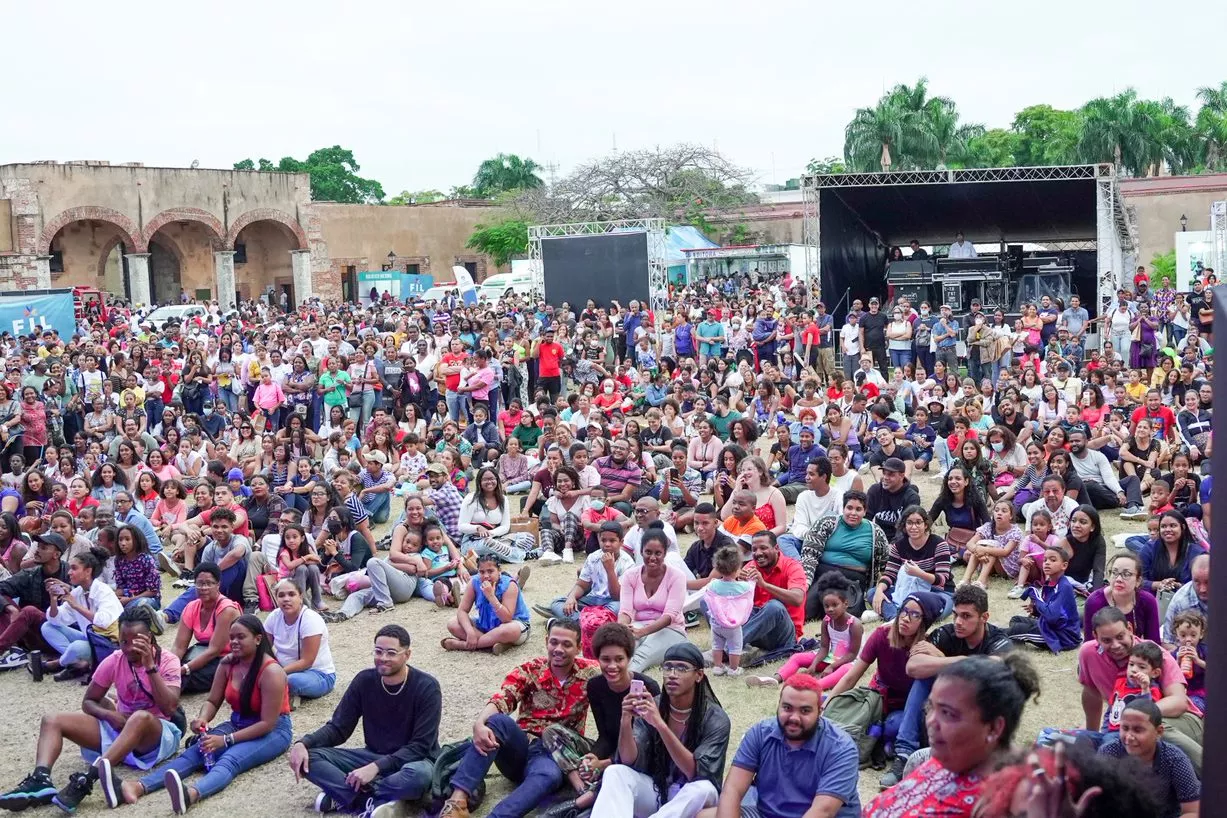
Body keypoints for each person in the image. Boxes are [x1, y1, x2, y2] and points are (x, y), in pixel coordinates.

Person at [0, 607, 182, 813]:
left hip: (155, 735)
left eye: (136, 641)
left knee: (140, 718)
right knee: (52, 720)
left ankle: (89, 778)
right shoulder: (115, 660)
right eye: (123, 641)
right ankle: (40, 780)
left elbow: (170, 706)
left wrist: (150, 667)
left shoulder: (168, 661)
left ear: (149, 637)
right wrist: (109, 715)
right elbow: (89, 701)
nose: (129, 647)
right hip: (121, 730)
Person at [112, 615, 293, 814]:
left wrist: (226, 739)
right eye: (231, 637)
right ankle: (138, 786)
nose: (234, 642)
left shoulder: (271, 672)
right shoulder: (228, 664)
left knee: (230, 759)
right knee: (197, 751)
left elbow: (267, 723)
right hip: (239, 722)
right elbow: (212, 701)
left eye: (241, 637)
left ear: (258, 639)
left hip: (273, 731)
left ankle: (191, 794)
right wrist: (203, 718)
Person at [439, 619, 598, 818]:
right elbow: (504, 697)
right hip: (520, 746)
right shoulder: (531, 669)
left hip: (553, 755)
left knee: (549, 776)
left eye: (567, 644)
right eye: (554, 642)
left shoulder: (591, 673)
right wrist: (479, 724)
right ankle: (457, 803)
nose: (559, 649)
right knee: (496, 722)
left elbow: (622, 674)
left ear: (579, 648)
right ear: (546, 641)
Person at [864, 654, 1041, 818]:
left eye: (948, 713)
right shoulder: (945, 759)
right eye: (930, 707)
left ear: (994, 728)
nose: (931, 721)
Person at [290, 624, 441, 817]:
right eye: (378, 651)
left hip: (413, 762)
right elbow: (339, 728)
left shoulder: (427, 687)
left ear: (407, 654)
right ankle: (367, 801)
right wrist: (303, 743)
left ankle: (346, 795)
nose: (383, 658)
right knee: (308, 758)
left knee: (418, 777)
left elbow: (420, 746)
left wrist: (375, 768)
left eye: (391, 653)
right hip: (372, 756)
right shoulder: (364, 681)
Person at [879, 584, 1013, 788]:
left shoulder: (997, 641)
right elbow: (913, 667)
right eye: (956, 615)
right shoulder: (947, 634)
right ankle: (904, 755)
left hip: (976, 719)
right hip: (943, 713)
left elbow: (997, 668)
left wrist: (946, 660)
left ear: (984, 617)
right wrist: (959, 662)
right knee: (916, 689)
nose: (958, 622)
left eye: (966, 616)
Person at [589, 642, 729, 818]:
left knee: (704, 788)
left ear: (699, 675)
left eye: (681, 668)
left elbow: (695, 772)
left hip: (692, 800)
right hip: (657, 789)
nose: (672, 674)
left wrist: (660, 725)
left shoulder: (715, 718)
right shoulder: (653, 705)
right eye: (668, 667)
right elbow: (628, 760)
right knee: (615, 772)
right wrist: (625, 720)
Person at [539, 623, 660, 817]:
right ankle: (582, 786)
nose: (612, 666)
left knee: (618, 770)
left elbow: (647, 748)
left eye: (619, 659)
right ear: (598, 659)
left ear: (629, 658)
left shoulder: (648, 688)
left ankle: (583, 799)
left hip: (636, 761)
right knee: (551, 732)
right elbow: (605, 735)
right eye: (606, 659)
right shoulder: (596, 686)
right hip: (609, 753)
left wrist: (604, 764)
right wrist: (593, 757)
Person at [711, 674, 861, 818]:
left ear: (820, 712)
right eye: (787, 708)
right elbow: (732, 790)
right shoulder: (760, 734)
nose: (794, 718)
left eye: (805, 711)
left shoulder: (841, 749)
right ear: (778, 706)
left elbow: (823, 812)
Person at [1078, 606, 1203, 775]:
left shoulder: (1153, 653)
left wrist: (1136, 715)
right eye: (1106, 640)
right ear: (1096, 637)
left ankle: (1213, 773)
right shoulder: (1088, 653)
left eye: (1120, 636)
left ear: (1130, 628)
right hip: (1126, 721)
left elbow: (1179, 702)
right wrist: (1093, 733)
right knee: (1091, 741)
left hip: (1183, 721)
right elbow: (1091, 693)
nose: (1115, 645)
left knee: (1145, 727)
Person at [1098, 698, 1200, 818]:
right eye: (1125, 728)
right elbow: (1095, 799)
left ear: (1159, 732)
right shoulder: (1109, 753)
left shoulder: (1174, 760)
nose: (1129, 737)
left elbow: (1192, 811)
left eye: (1138, 730)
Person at [37, 545, 122, 682]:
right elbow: (56, 620)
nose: (69, 572)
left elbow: (103, 621)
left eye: (74, 568)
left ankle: (58, 663)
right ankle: (77, 663)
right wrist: (53, 601)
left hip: (107, 644)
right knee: (47, 627)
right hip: (89, 639)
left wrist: (75, 605)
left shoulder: (103, 591)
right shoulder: (78, 592)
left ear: (88, 572)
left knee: (76, 647)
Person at [800, 490, 889, 619]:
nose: (853, 513)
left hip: (853, 578)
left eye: (858, 509)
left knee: (847, 614)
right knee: (806, 610)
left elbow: (885, 565)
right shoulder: (827, 523)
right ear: (843, 508)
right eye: (849, 508)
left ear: (865, 512)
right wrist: (806, 581)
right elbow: (810, 553)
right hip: (823, 574)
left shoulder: (876, 532)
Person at [619, 529, 687, 672]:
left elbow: (669, 616)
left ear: (665, 553)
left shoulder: (677, 576)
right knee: (621, 651)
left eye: (658, 553)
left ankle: (623, 683)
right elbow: (625, 611)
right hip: (637, 625)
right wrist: (623, 628)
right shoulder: (630, 576)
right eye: (648, 552)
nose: (652, 558)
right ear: (641, 551)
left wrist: (642, 632)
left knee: (640, 656)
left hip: (671, 630)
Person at [169, 562, 242, 695]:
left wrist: (184, 669)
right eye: (200, 583)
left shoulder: (227, 609)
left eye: (209, 583)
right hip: (202, 652)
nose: (204, 587)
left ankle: (158, 698)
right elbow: (179, 647)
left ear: (218, 584)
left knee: (183, 677)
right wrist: (169, 666)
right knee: (166, 668)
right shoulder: (191, 607)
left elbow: (214, 650)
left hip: (225, 658)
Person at [0, 531, 70, 666]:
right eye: (38, 546)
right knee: (5, 603)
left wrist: (69, 590)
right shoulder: (29, 574)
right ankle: (14, 649)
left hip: (59, 634)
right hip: (30, 634)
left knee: (29, 611)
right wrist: (11, 610)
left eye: (44, 548)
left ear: (56, 554)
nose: (37, 551)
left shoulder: (70, 573)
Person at [263, 578, 336, 703]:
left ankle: (284, 693)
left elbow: (307, 661)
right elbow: (264, 649)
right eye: (281, 595)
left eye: (291, 594)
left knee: (291, 681)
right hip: (283, 670)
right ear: (276, 598)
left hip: (318, 675)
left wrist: (276, 673)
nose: (286, 599)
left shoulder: (310, 619)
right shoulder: (273, 617)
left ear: (300, 597)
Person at [442, 553, 531, 655]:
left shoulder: (509, 585)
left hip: (513, 625)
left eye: (490, 571)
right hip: (486, 626)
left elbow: (507, 618)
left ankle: (463, 645)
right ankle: (492, 643)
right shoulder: (474, 582)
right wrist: (469, 631)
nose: (486, 576)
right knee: (453, 623)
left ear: (499, 571)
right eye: (482, 572)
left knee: (509, 630)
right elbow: (462, 611)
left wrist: (491, 597)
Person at [1005, 543, 1081, 653]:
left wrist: (1035, 596)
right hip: (1050, 626)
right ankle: (1017, 641)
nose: (1047, 563)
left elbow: (1052, 617)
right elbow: (1052, 611)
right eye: (1045, 560)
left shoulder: (1064, 586)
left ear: (1064, 566)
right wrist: (1036, 610)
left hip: (1062, 637)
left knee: (1017, 629)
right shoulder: (1050, 583)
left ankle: (992, 637)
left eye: (1053, 560)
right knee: (1016, 620)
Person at [1082, 551, 1160, 643]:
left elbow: (1154, 643)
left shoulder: (1148, 601)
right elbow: (1090, 644)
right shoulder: (1095, 602)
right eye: (1114, 573)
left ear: (1138, 581)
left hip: (1137, 654)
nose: (1118, 579)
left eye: (1126, 574)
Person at [704, 545, 754, 677]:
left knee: (717, 645)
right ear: (737, 568)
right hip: (733, 624)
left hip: (716, 623)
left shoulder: (713, 585)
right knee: (735, 646)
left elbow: (707, 595)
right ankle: (733, 668)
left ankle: (718, 666)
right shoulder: (743, 587)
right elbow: (751, 590)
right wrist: (750, 580)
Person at [1162, 553, 1209, 647]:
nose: (1202, 589)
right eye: (1197, 582)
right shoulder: (1180, 602)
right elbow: (1169, 643)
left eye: (1208, 582)